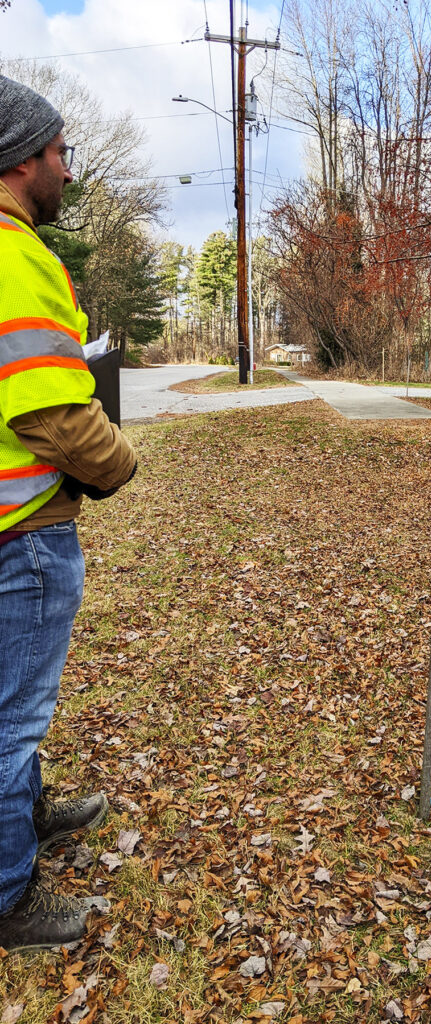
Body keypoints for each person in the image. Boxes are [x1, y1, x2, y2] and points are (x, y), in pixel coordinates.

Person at [0, 75, 137, 952]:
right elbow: (49, 412)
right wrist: (121, 462)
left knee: (11, 710)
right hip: (24, 536)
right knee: (11, 722)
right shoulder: (17, 258)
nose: (66, 170)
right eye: (58, 153)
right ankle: (10, 898)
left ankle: (30, 815)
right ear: (21, 161)